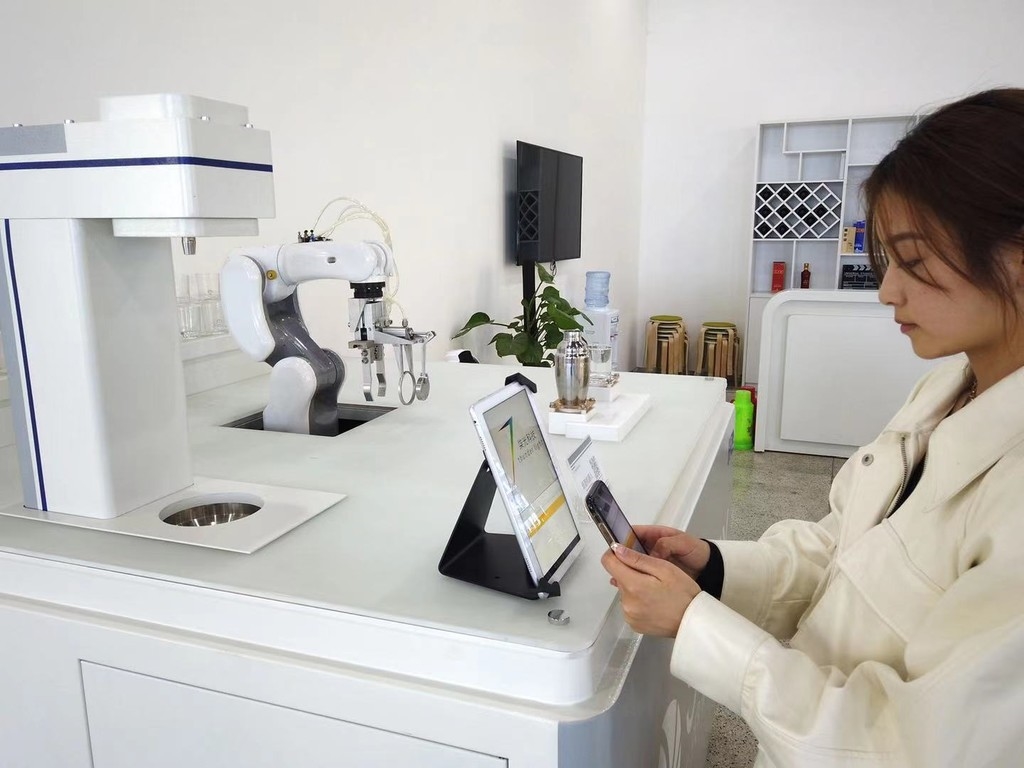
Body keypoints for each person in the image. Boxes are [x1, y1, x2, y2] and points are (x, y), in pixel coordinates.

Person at [602, 88, 1024, 767]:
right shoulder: (946, 390)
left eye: (914, 262)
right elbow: (842, 552)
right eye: (888, 262)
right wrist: (712, 568)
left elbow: (909, 748)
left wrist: (697, 626)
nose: (888, 291)